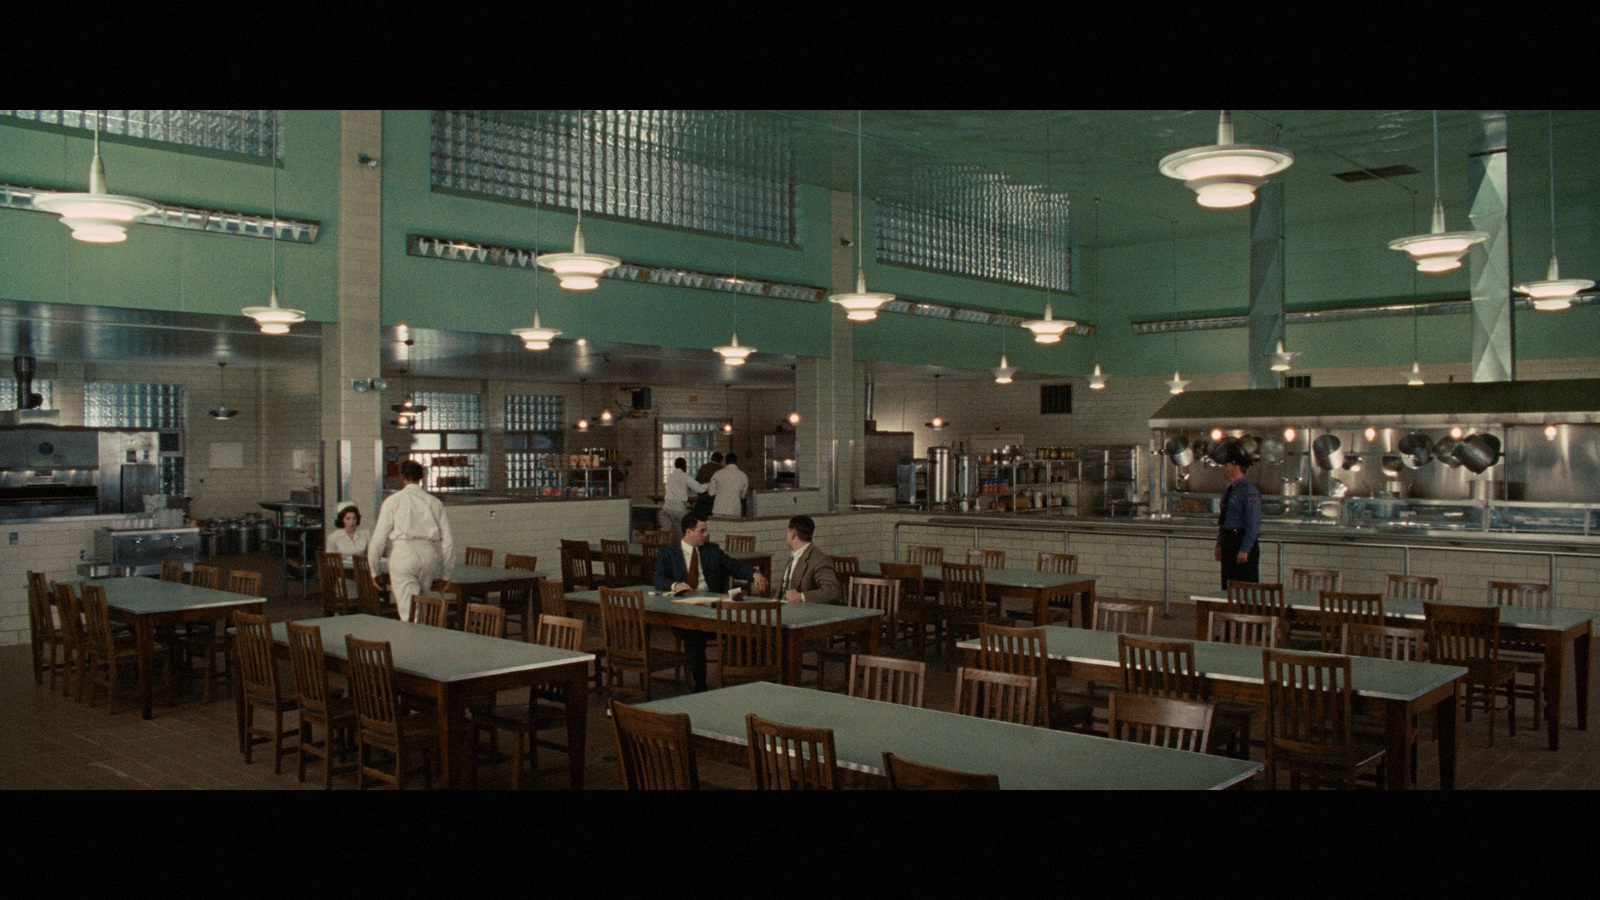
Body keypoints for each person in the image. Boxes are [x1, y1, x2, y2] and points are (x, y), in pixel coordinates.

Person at [654, 511, 770, 691]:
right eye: (702, 531)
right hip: (685, 610)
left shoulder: (712, 551)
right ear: (688, 532)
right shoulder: (668, 554)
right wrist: (675, 585)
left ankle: (746, 678)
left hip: (713, 608)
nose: (706, 534)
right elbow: (659, 579)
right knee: (694, 634)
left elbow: (734, 566)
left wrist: (754, 573)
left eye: (706, 530)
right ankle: (700, 685)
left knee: (747, 627)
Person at [368, 460, 455, 622]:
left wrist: (374, 571)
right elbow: (448, 542)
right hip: (428, 555)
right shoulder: (435, 502)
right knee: (421, 608)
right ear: (421, 477)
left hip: (404, 555)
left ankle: (413, 645)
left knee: (408, 613)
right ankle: (421, 642)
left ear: (402, 477)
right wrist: (446, 574)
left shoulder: (393, 501)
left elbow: (378, 540)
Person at [1214, 443, 1262, 589]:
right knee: (1228, 585)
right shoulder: (1229, 491)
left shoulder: (1249, 491)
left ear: (1236, 467)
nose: (1224, 468)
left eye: (1226, 465)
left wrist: (1245, 548)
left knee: (1245, 587)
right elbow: (1225, 519)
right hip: (1229, 540)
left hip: (1241, 540)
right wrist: (1220, 543)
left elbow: (1253, 523)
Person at [776, 514, 840, 605]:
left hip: (802, 612)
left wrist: (802, 597)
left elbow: (832, 591)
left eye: (787, 532)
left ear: (792, 535)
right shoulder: (794, 555)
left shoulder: (819, 559)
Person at [660, 457, 707, 539]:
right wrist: (710, 484)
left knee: (667, 535)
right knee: (682, 534)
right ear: (684, 466)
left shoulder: (670, 476)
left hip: (666, 508)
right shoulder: (685, 476)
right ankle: (682, 550)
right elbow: (699, 488)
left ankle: (666, 550)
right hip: (678, 509)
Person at [707, 451, 750, 519]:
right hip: (734, 510)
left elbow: (711, 493)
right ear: (737, 462)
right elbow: (743, 496)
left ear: (725, 462)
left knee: (718, 529)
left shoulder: (718, 473)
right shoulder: (743, 476)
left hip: (718, 509)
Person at [692, 452, 723, 518]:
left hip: (701, 498)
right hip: (714, 500)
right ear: (721, 460)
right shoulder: (721, 469)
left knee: (701, 519)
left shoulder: (703, 467)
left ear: (711, 458)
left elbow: (697, 481)